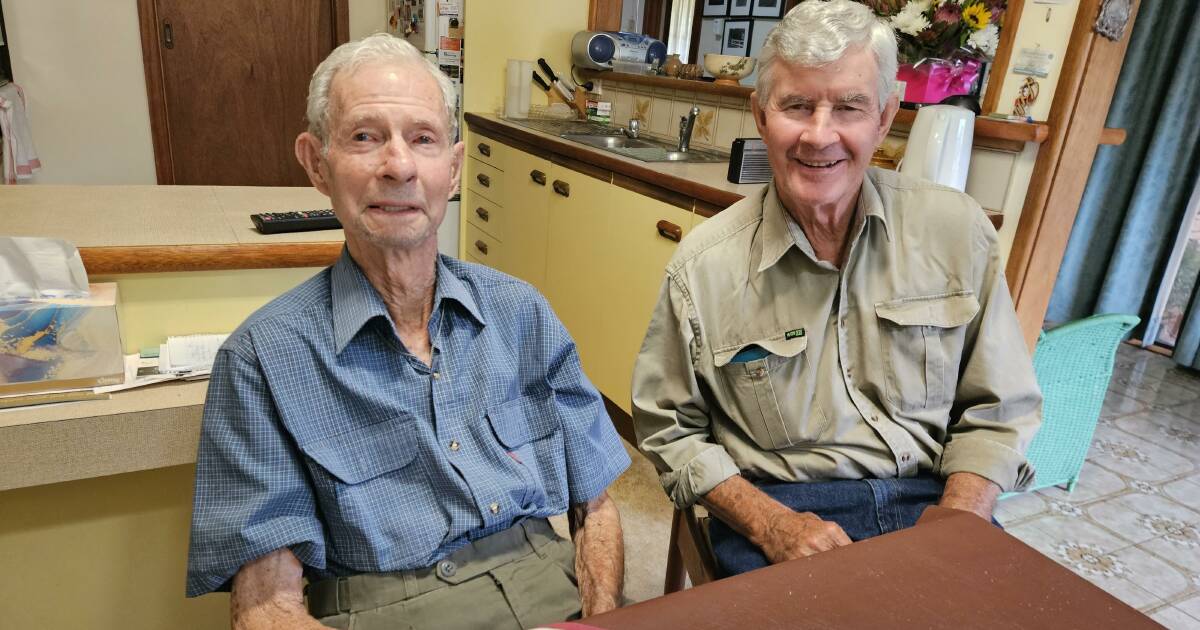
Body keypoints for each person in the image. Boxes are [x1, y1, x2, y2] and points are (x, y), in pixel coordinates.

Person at [186, 34, 630, 629]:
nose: (398, 166)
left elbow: (596, 502)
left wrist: (604, 617)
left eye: (422, 139)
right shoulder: (263, 359)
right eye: (365, 137)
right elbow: (266, 606)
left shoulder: (521, 313)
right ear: (317, 163)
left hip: (548, 588)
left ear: (452, 168)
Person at [631, 0, 1042, 577]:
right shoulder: (706, 266)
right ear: (760, 114)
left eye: (849, 107)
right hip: (786, 507)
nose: (819, 136)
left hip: (937, 496)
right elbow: (668, 427)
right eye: (797, 105)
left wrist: (962, 514)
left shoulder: (956, 231)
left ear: (884, 116)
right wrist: (770, 523)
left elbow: (999, 405)